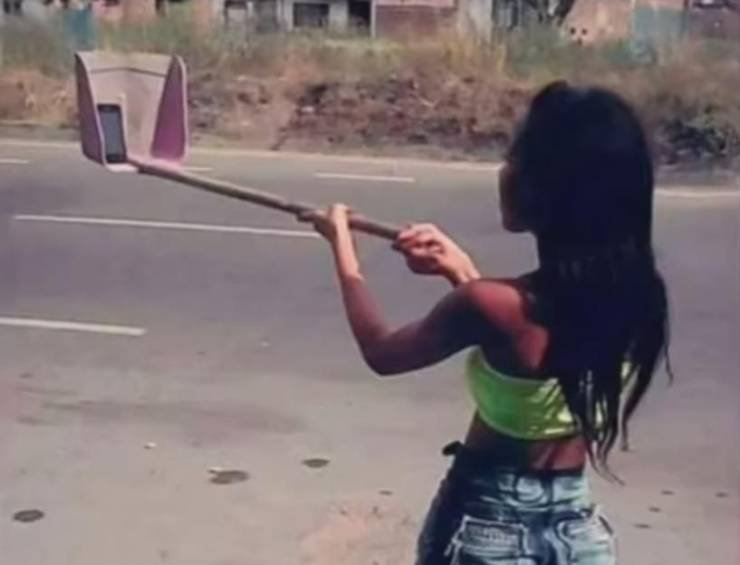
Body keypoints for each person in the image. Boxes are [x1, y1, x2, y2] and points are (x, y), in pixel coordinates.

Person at [303, 81, 670, 564]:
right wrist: (459, 269)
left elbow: (382, 352)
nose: (505, 171)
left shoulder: (488, 305)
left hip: (486, 523)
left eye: (515, 158)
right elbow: (529, 344)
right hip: (578, 534)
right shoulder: (639, 297)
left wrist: (343, 247)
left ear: (546, 190)